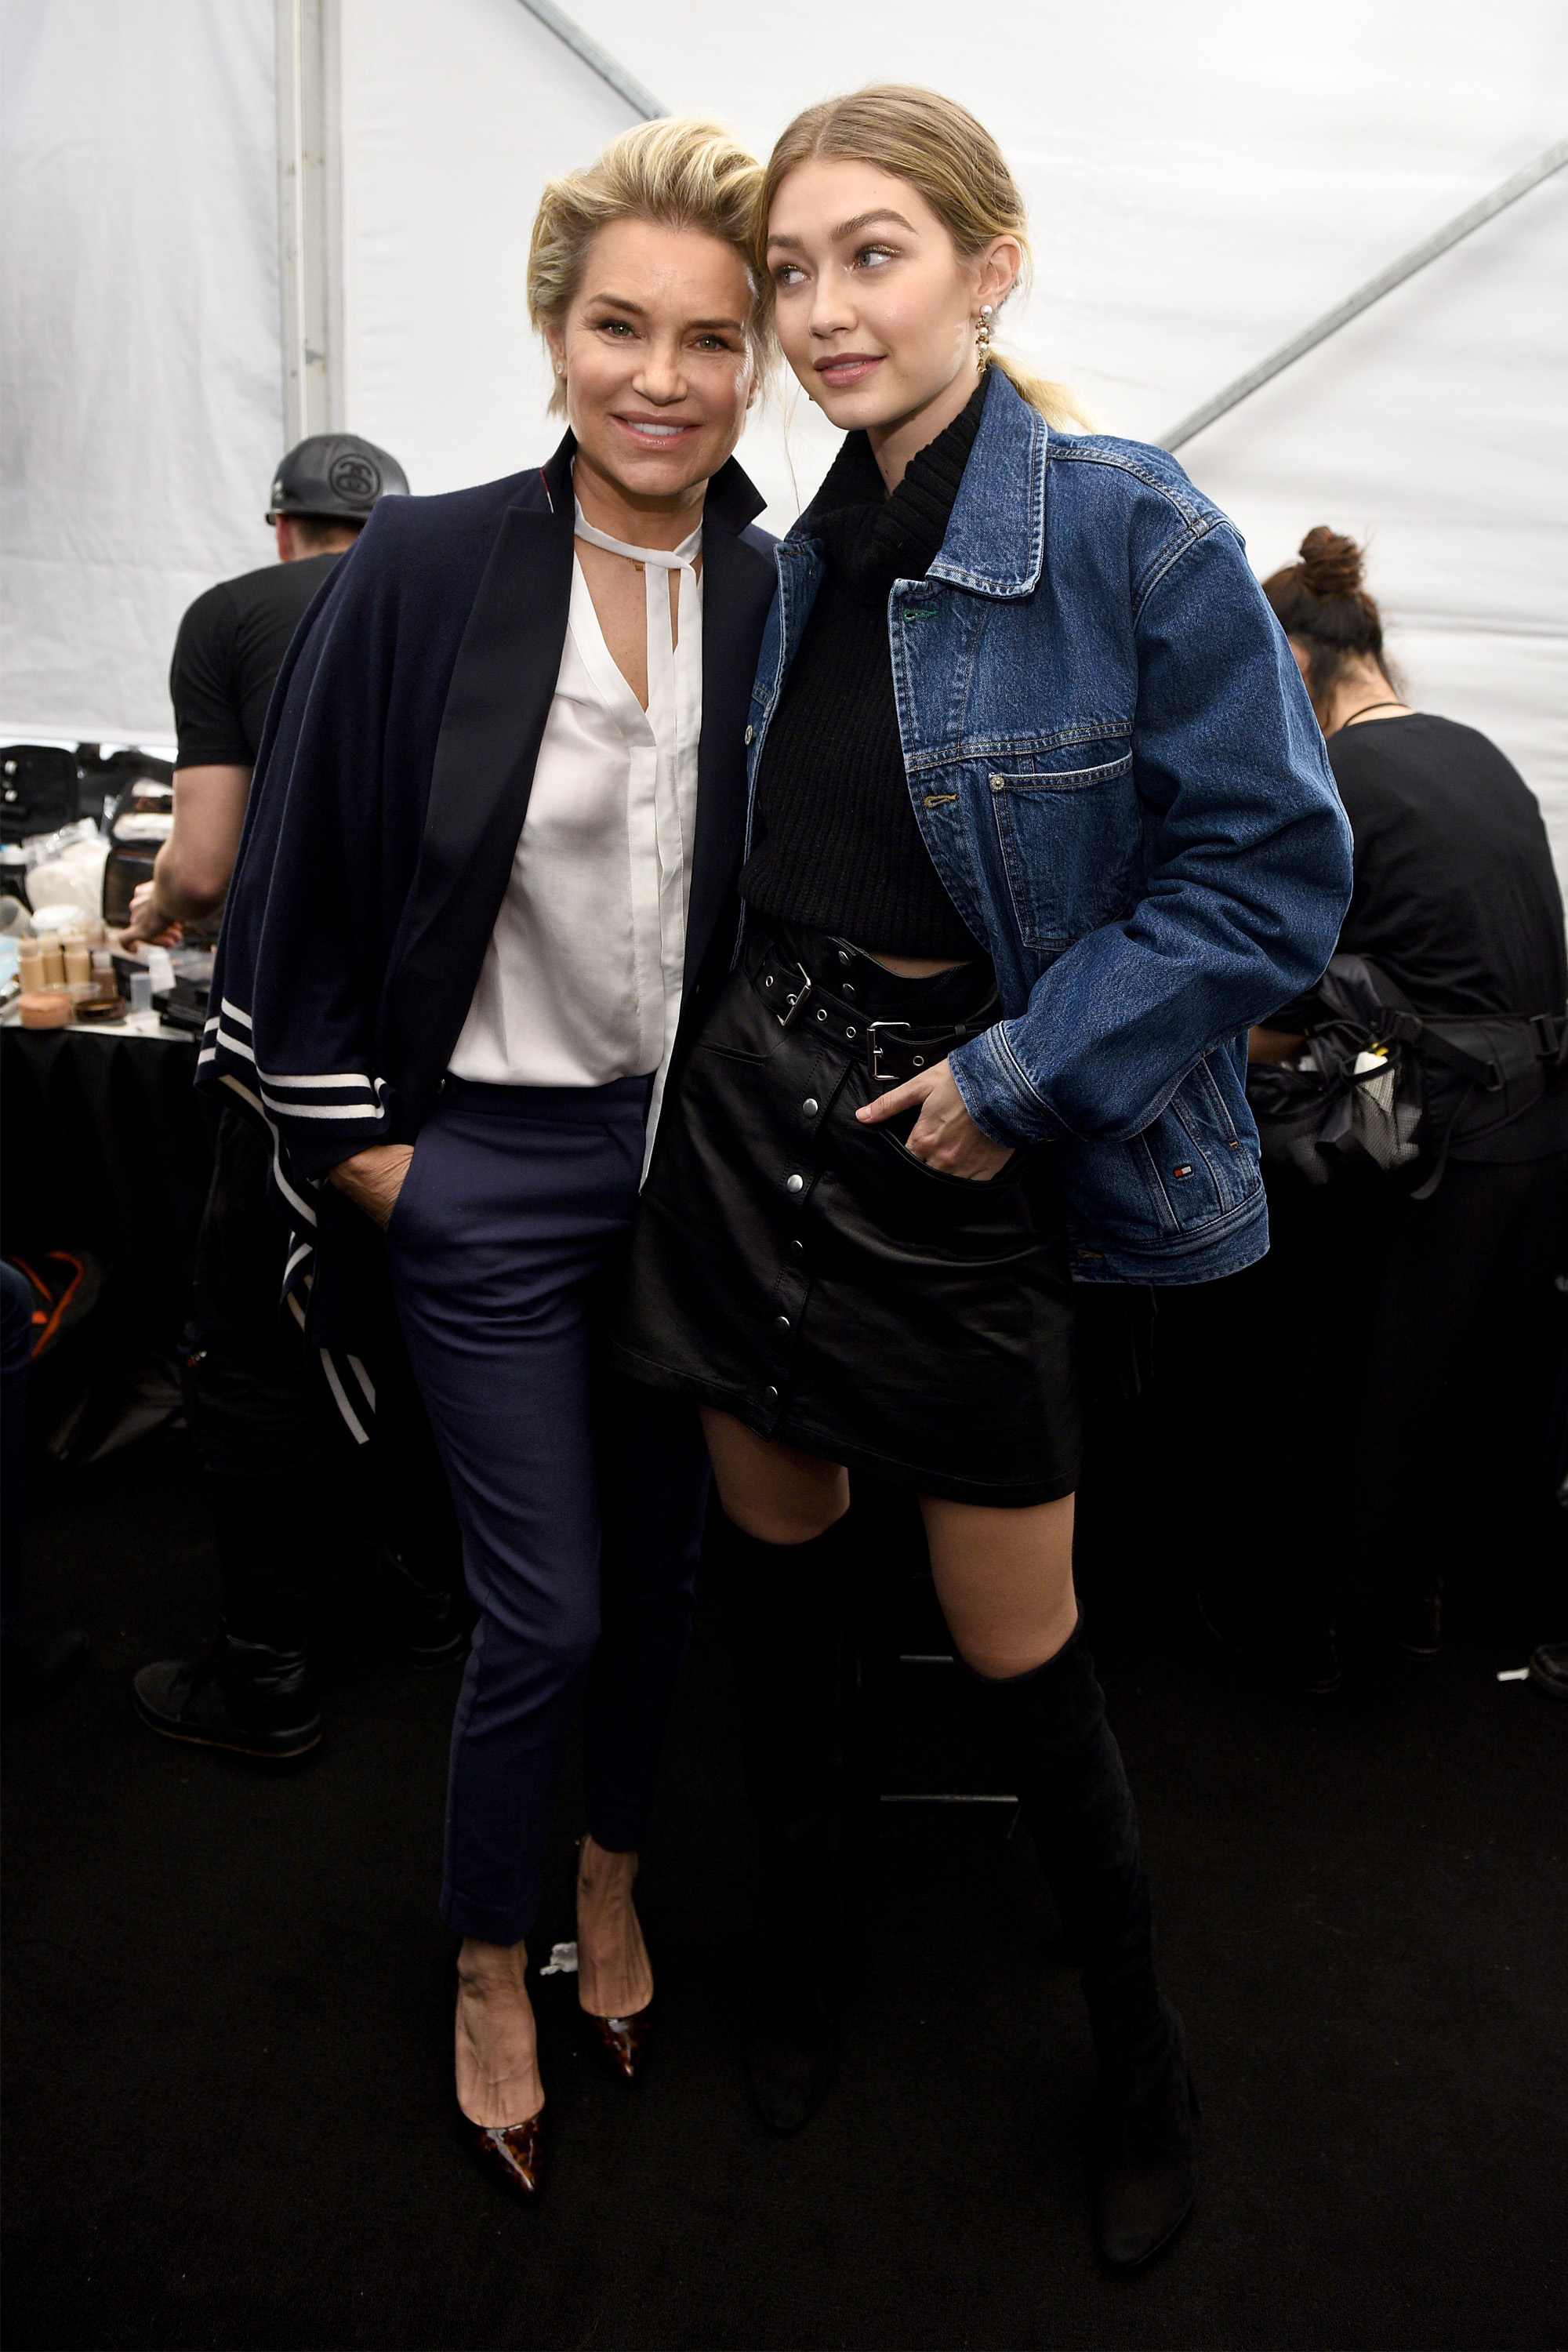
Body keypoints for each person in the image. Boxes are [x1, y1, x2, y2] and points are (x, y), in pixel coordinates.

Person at [608, 85, 1353, 2270]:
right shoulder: (792, 548)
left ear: (989, 266)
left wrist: (1021, 1078)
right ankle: (808, 1967)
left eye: (876, 256)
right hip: (757, 1115)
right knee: (781, 1602)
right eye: (794, 273)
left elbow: (1268, 878)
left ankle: (1141, 2062)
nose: (824, 312)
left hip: (959, 1136)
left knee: (1018, 1649)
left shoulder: (1126, 524)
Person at [201, 118, 778, 2200]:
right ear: (553, 335)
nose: (662, 377)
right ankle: (480, 1954)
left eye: (709, 338)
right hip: (483, 1172)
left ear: (757, 362)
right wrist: (375, 1164)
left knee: (668, 1576)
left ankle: (606, 1879)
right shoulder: (428, 562)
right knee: (543, 1608)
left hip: (690, 1183)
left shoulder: (778, 585)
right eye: (621, 326)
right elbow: (294, 877)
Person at [126, 432, 462, 1765]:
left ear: (282, 527)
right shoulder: (462, 595)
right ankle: (428, 1595)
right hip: (455, 1037)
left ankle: (267, 1674)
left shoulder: (229, 616)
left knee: (256, 1338)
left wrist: (152, 905)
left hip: (291, 1032)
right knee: (431, 1311)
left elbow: (204, 867)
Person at [1211, 528, 1568, 1691]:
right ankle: (1409, 1608)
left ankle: (1307, 1629)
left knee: (1342, 1369)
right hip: (1533, 1134)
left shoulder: (1342, 783)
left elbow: (1278, 997)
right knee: (1456, 1393)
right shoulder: (1475, 753)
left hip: (1426, 1131)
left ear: (1296, 664)